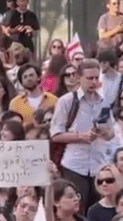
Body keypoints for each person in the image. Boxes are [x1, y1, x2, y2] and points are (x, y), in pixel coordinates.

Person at [50, 59, 116, 208]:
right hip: (75, 165)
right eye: (89, 78)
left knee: (98, 209)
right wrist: (81, 136)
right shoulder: (66, 101)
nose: (94, 82)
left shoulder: (103, 101)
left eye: (96, 78)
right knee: (77, 208)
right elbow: (55, 135)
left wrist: (106, 133)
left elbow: (111, 131)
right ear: (79, 78)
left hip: (98, 165)